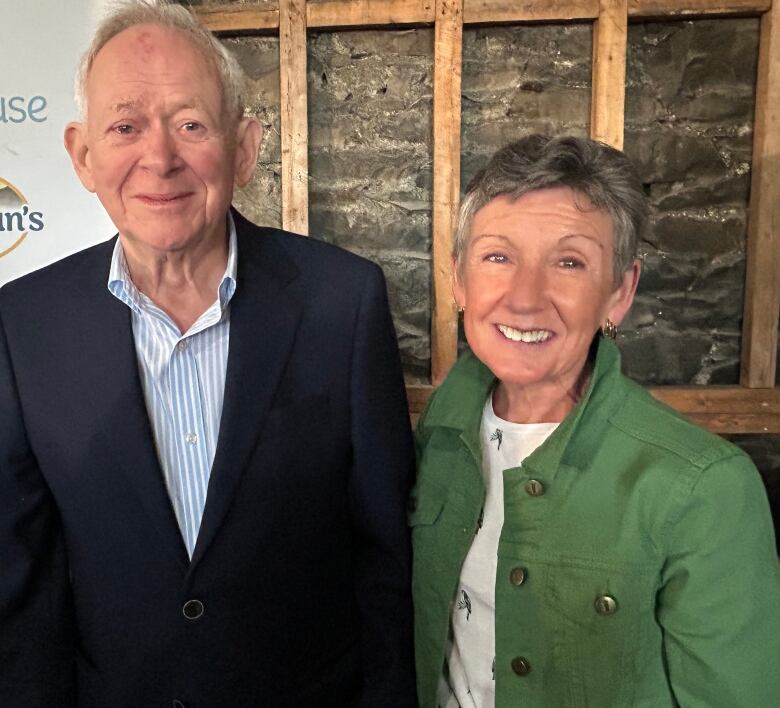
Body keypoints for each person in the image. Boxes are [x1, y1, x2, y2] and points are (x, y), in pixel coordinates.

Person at [0, 2, 416, 706]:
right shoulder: (23, 323)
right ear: (82, 155)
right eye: (125, 126)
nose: (158, 158)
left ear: (245, 147)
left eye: (190, 124)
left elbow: (384, 557)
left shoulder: (343, 303)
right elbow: (22, 581)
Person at [410, 135, 780, 707]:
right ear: (458, 277)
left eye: (569, 262)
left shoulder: (706, 487)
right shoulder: (440, 430)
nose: (525, 299)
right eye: (498, 256)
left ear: (619, 292)